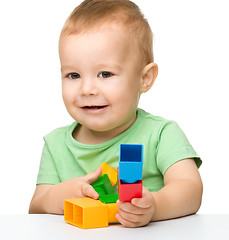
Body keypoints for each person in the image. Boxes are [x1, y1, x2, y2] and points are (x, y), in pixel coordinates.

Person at [29, 0, 203, 228]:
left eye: (105, 74)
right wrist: (60, 195)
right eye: (73, 75)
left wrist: (155, 206)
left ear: (144, 78)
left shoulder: (161, 134)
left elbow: (190, 189)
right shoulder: (55, 144)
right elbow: (35, 207)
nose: (87, 89)